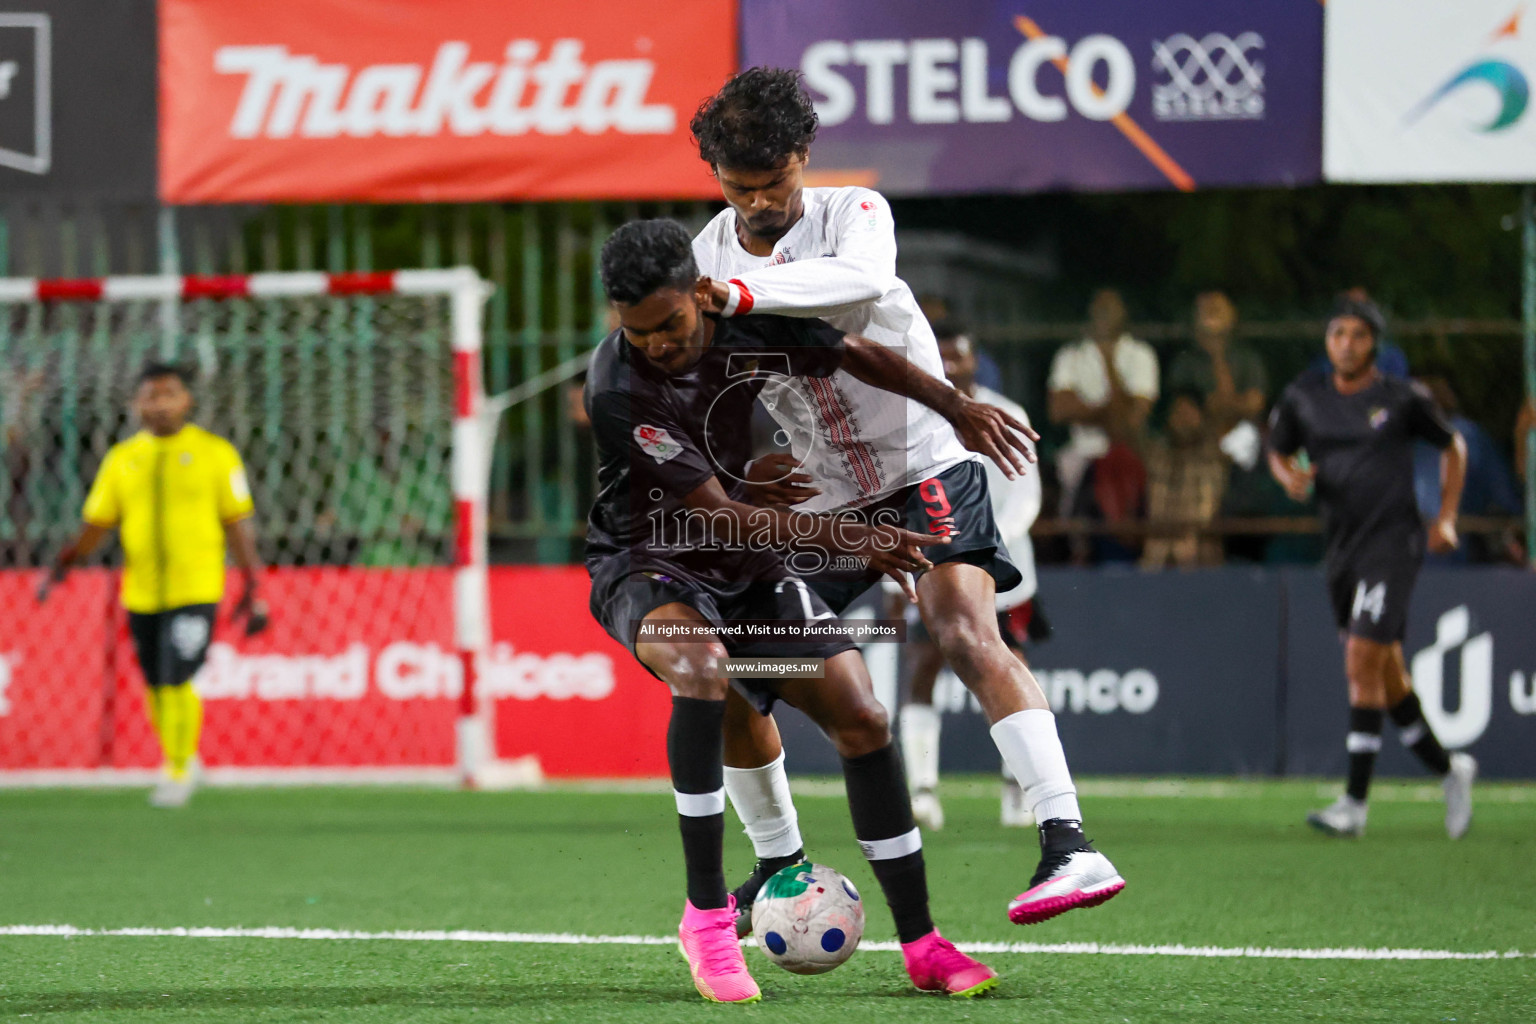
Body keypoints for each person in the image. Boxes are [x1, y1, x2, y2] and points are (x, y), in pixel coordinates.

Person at [688, 67, 1122, 932]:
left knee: (963, 628)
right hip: (830, 502)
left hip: (926, 466)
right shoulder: (708, 251)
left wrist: (739, 295)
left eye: (773, 184)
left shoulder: (857, 216)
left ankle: (1068, 840)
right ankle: (778, 861)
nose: (760, 204)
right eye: (739, 189)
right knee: (737, 674)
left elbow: (850, 290)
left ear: (803, 157)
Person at [588, 219, 1013, 1001]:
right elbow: (715, 512)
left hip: (750, 568)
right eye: (636, 331)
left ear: (698, 295)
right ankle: (709, 921)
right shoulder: (617, 387)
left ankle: (924, 943)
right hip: (651, 564)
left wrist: (953, 405)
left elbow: (855, 354)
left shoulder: (752, 324)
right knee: (705, 669)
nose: (656, 344)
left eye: (670, 325)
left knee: (863, 718)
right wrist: (850, 536)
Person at [1267, 298, 1476, 839]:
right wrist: (1287, 474)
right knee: (1386, 675)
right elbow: (1277, 446)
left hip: (1393, 542)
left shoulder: (1401, 399)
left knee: (1361, 659)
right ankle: (1450, 770)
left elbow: (1453, 445)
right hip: (1341, 548)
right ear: (1327, 340)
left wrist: (1447, 517)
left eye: (1359, 335)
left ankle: (1354, 806)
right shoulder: (1304, 396)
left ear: (1374, 344)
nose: (1347, 343)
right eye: (1338, 333)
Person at [39, 363, 269, 807]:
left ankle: (178, 768)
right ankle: (182, 756)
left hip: (197, 587)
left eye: (170, 394)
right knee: (153, 680)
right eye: (151, 395)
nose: (160, 404)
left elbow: (237, 523)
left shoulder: (215, 453)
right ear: (136, 404)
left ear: (188, 401)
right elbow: (97, 522)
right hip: (141, 589)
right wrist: (67, 561)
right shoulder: (122, 458)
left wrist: (252, 583)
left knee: (177, 673)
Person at [897, 322, 1049, 831]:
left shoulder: (1009, 414)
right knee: (922, 668)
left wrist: (980, 546)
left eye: (958, 357)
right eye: (941, 358)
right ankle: (922, 792)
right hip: (930, 565)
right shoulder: (908, 414)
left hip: (1005, 570)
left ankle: (1021, 790)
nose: (951, 366)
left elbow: (1027, 497)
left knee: (1013, 666)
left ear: (974, 359)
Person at [1047, 289, 1158, 563]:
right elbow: (1058, 410)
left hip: (1129, 453)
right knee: (1073, 525)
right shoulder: (1071, 354)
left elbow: (1132, 423)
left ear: (1124, 314)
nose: (1104, 314)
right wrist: (1113, 407)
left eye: (1111, 308)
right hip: (1080, 453)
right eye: (1099, 308)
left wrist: (1108, 363)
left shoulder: (1140, 354)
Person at [1140, 389, 1229, 569]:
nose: (1183, 419)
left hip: (1202, 554)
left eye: (1189, 412)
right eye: (1178, 413)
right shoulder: (1156, 455)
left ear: (1202, 417)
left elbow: (1225, 411)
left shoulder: (1215, 454)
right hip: (1158, 553)